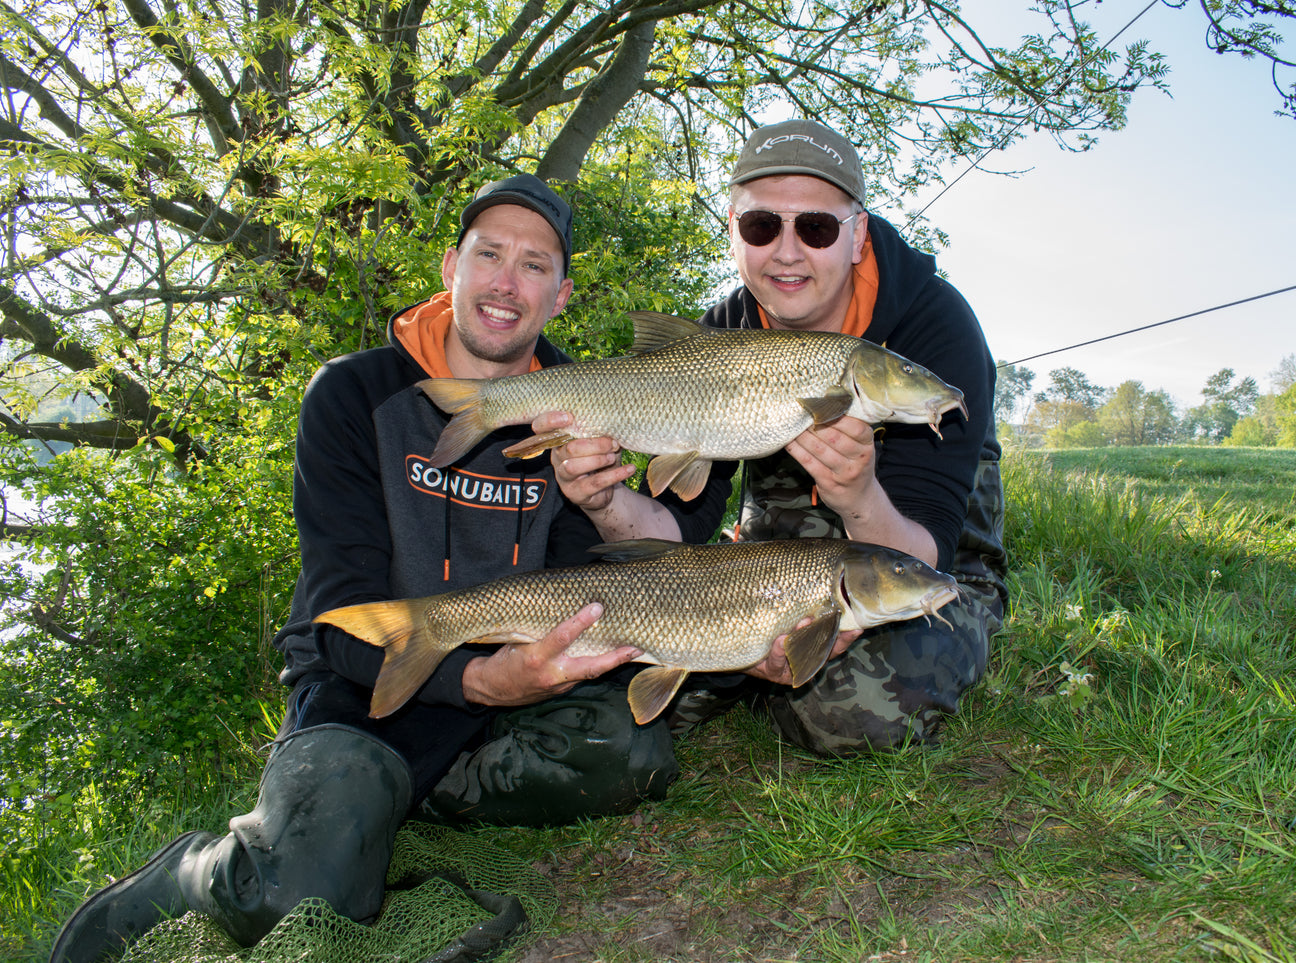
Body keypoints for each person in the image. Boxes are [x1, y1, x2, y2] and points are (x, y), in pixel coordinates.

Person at [49, 174, 717, 963]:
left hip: (506, 698)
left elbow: (669, 544)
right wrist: (477, 680)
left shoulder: (585, 404)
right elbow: (338, 616)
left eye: (534, 265)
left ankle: (403, 810)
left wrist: (603, 507)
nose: (507, 282)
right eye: (489, 254)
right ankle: (202, 870)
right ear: (450, 268)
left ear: (560, 295)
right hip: (363, 685)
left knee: (631, 753)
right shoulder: (352, 393)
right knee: (305, 895)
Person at [544, 119, 1007, 756]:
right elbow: (679, 529)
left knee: (852, 715)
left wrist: (856, 494)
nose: (786, 252)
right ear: (733, 233)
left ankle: (770, 672)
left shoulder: (933, 325)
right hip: (765, 569)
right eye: (762, 227)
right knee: (598, 707)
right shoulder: (724, 333)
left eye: (815, 228)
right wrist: (603, 502)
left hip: (917, 563)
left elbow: (929, 550)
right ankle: (740, 658)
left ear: (856, 235)